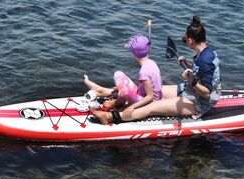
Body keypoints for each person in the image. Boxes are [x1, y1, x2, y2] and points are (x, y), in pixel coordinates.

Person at [92, 16, 221, 124]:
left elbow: (206, 93)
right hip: (189, 90)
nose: (185, 42)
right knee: (155, 92)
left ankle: (110, 117)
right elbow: (200, 72)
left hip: (200, 102)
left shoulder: (206, 60)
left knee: (151, 107)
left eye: (185, 39)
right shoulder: (205, 51)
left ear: (191, 40)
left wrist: (191, 80)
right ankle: (116, 101)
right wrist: (187, 64)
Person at [81, 34, 163, 120]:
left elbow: (150, 97)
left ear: (134, 54)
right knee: (122, 78)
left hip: (149, 102)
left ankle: (117, 104)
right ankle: (104, 92)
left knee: (118, 75)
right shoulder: (152, 63)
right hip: (149, 96)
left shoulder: (143, 72)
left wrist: (132, 107)